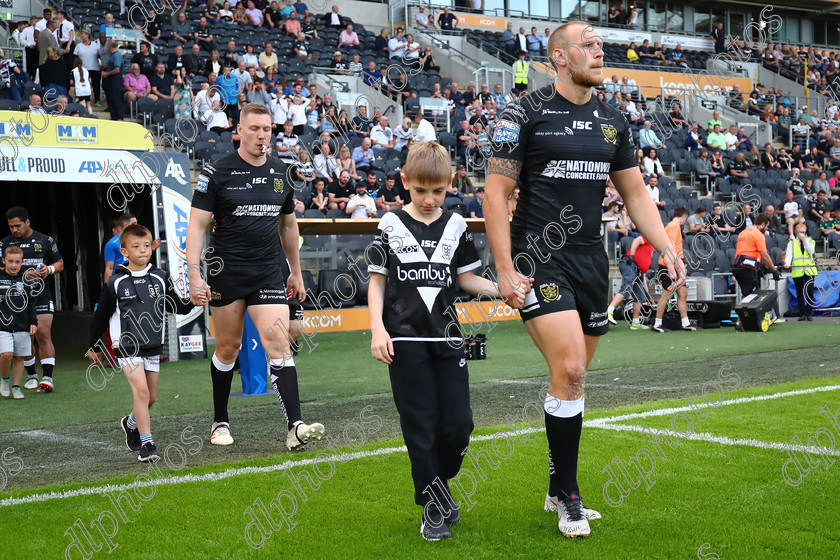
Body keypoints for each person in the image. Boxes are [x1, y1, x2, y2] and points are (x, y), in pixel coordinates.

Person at [483, 20, 684, 539]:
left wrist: (664, 247)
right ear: (558, 59)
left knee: (571, 378)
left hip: (592, 263)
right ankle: (570, 498)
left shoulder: (614, 119)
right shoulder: (523, 113)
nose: (599, 52)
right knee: (571, 367)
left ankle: (556, 485)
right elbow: (495, 194)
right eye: (587, 46)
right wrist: (504, 269)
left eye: (600, 44)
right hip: (538, 260)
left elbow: (636, 194)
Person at [368, 141, 525, 541]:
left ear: (450, 185)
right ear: (404, 182)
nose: (428, 198)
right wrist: (377, 329)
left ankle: (441, 482)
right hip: (404, 343)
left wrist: (501, 289)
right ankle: (432, 505)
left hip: (449, 339)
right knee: (420, 426)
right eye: (420, 190)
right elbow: (377, 282)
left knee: (459, 425)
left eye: (437, 191)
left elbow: (465, 280)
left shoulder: (456, 225)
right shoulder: (388, 225)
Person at [186, 103, 325, 448]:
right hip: (227, 274)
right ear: (239, 130)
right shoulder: (215, 173)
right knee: (229, 348)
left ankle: (295, 427)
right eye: (254, 129)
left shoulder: (281, 173)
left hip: (267, 272)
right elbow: (197, 226)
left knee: (278, 344)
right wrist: (194, 276)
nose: (262, 135)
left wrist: (295, 271)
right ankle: (220, 421)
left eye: (267, 129)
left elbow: (288, 224)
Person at [87, 224, 194, 462]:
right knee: (142, 392)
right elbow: (100, 318)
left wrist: (195, 299)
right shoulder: (113, 283)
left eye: (147, 246)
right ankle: (148, 445)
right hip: (126, 347)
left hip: (152, 345)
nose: (143, 250)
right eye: (136, 247)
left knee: (151, 398)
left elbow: (177, 306)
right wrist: (94, 345)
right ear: (124, 252)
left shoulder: (160, 277)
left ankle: (131, 422)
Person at [0, 207, 64, 392]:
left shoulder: (45, 240)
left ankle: (47, 378)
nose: (14, 230)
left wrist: (48, 270)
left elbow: (59, 263)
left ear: (27, 222)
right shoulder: (4, 243)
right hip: (17, 301)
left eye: (17, 225)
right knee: (25, 336)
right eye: (11, 226)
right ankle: (32, 376)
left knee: (43, 333)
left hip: (41, 295)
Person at [0, 246, 38, 400]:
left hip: (22, 326)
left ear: (22, 262)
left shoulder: (27, 281)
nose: (14, 265)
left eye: (17, 262)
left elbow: (31, 304)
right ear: (4, 261)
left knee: (19, 357)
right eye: (10, 261)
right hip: (3, 326)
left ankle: (16, 387)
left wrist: (33, 322)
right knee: (6, 354)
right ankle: (5, 381)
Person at [651, 207, 696, 333]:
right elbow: (669, 248)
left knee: (682, 293)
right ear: (684, 217)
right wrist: (674, 267)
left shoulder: (672, 226)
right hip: (669, 265)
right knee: (666, 294)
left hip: (674, 264)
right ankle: (657, 323)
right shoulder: (674, 226)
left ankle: (685, 322)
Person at [606, 235, 653, 329]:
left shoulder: (650, 251)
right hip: (630, 264)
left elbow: (643, 275)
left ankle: (635, 322)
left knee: (640, 296)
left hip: (638, 271)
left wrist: (647, 292)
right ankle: (609, 311)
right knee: (626, 289)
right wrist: (632, 255)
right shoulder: (648, 239)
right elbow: (636, 240)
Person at [732, 214, 780, 302]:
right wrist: (774, 270)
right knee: (753, 295)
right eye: (766, 226)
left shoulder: (744, 232)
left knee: (746, 294)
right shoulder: (758, 234)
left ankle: (743, 315)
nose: (766, 229)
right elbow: (764, 255)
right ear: (762, 224)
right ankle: (747, 315)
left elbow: (747, 250)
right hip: (747, 267)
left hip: (737, 265)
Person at [784, 223, 817, 321]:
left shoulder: (811, 241)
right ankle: (802, 313)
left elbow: (811, 251)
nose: (800, 234)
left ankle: (809, 312)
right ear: (796, 232)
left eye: (802, 232)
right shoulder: (792, 242)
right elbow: (789, 254)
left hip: (809, 270)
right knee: (799, 292)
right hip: (798, 270)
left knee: (810, 291)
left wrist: (805, 241)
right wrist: (787, 263)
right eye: (798, 232)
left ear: (806, 232)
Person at [103, 41, 125, 120]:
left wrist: (107, 73)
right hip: (111, 79)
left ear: (109, 46)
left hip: (116, 79)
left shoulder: (117, 55)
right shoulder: (113, 55)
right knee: (111, 98)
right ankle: (114, 116)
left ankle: (119, 116)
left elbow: (117, 70)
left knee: (116, 98)